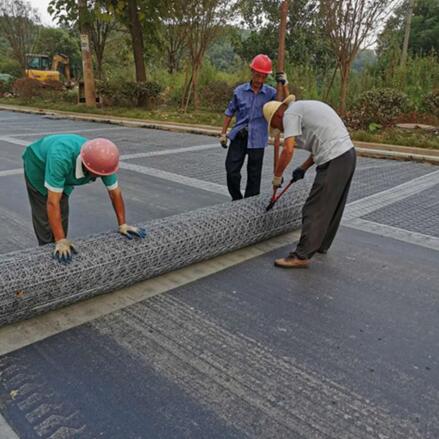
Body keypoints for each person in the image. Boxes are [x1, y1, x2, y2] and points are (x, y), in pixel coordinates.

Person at [263, 97, 357, 268]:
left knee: (314, 208)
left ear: (277, 116)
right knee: (332, 206)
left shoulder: (290, 114)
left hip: (334, 158)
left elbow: (288, 149)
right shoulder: (301, 110)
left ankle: (301, 255)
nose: (279, 130)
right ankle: (320, 245)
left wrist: (277, 176)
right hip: (347, 155)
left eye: (276, 126)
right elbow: (318, 145)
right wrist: (303, 168)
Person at [22, 134, 146, 263]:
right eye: (96, 175)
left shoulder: (103, 160)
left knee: (62, 209)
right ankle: (46, 258)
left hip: (63, 166)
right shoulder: (61, 158)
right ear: (86, 166)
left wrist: (123, 224)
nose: (99, 178)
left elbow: (115, 193)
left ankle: (60, 248)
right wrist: (60, 240)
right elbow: (52, 203)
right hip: (38, 165)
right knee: (44, 216)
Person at [219, 54, 288, 200]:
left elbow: (286, 105)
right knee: (231, 170)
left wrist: (284, 85)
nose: (260, 80)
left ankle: (250, 202)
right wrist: (223, 133)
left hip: (258, 139)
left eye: (263, 77)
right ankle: (237, 199)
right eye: (257, 76)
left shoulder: (271, 93)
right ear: (252, 71)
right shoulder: (239, 91)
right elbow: (229, 112)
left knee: (254, 176)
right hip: (239, 136)